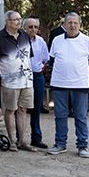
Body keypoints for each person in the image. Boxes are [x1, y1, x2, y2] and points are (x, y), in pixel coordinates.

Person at [46, 12, 89, 158]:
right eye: (69, 22)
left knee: (81, 116)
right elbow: (51, 62)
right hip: (59, 85)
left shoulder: (87, 41)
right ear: (64, 24)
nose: (72, 25)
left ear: (79, 25)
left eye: (75, 23)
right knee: (60, 116)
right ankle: (60, 144)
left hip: (80, 86)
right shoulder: (56, 40)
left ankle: (82, 146)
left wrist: (83, 77)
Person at [0, 11, 35, 151]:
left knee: (23, 109)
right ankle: (12, 141)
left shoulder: (24, 35)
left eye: (19, 19)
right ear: (7, 22)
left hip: (27, 80)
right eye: (15, 19)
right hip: (9, 81)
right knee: (10, 110)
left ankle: (22, 141)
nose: (18, 22)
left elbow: (29, 56)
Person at [25, 18, 50, 147]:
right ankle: (20, 139)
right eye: (30, 27)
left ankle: (36, 138)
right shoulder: (20, 40)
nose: (33, 29)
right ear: (25, 28)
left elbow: (46, 59)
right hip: (23, 77)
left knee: (36, 108)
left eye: (35, 27)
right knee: (22, 109)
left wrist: (40, 69)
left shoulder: (40, 42)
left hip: (37, 76)